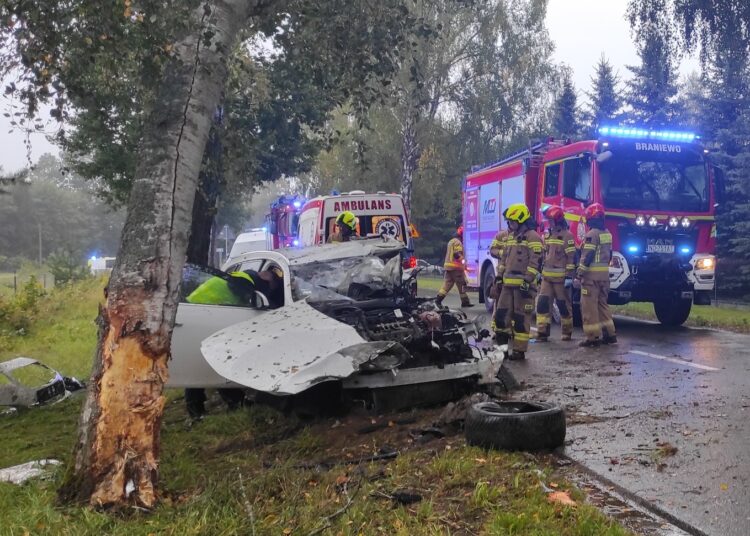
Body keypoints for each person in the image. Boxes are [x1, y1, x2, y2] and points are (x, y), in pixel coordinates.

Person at [493, 203, 543, 360]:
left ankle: (519, 351)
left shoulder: (533, 237)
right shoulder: (510, 237)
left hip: (523, 287)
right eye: (508, 222)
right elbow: (504, 259)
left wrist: (527, 280)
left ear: (521, 220)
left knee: (521, 319)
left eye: (512, 221)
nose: (509, 224)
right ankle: (501, 351)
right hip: (507, 286)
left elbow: (536, 261)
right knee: (501, 317)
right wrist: (499, 276)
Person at [574, 203, 617, 347]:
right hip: (604, 277)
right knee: (602, 305)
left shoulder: (592, 234)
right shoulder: (607, 233)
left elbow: (588, 255)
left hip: (591, 278)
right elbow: (609, 254)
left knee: (589, 307)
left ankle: (592, 337)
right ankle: (610, 334)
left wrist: (579, 274)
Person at [536, 205, 577, 341]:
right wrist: (539, 271)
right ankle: (542, 332)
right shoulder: (548, 235)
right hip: (546, 278)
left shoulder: (567, 236)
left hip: (561, 280)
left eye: (551, 220)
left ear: (558, 220)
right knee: (542, 304)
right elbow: (544, 255)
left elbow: (571, 258)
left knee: (563, 306)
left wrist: (569, 277)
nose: (549, 222)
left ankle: (566, 332)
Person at [436, 226, 472, 308]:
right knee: (462, 284)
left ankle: (438, 300)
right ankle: (465, 302)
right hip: (456, 268)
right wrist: (463, 261)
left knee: (447, 285)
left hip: (448, 267)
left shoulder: (451, 241)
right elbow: (456, 254)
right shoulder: (458, 242)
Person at [489, 211, 510, 336]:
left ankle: (509, 329)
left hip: (516, 275)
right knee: (499, 302)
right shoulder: (501, 235)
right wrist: (502, 253)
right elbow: (492, 250)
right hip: (502, 274)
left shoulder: (523, 236)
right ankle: (496, 329)